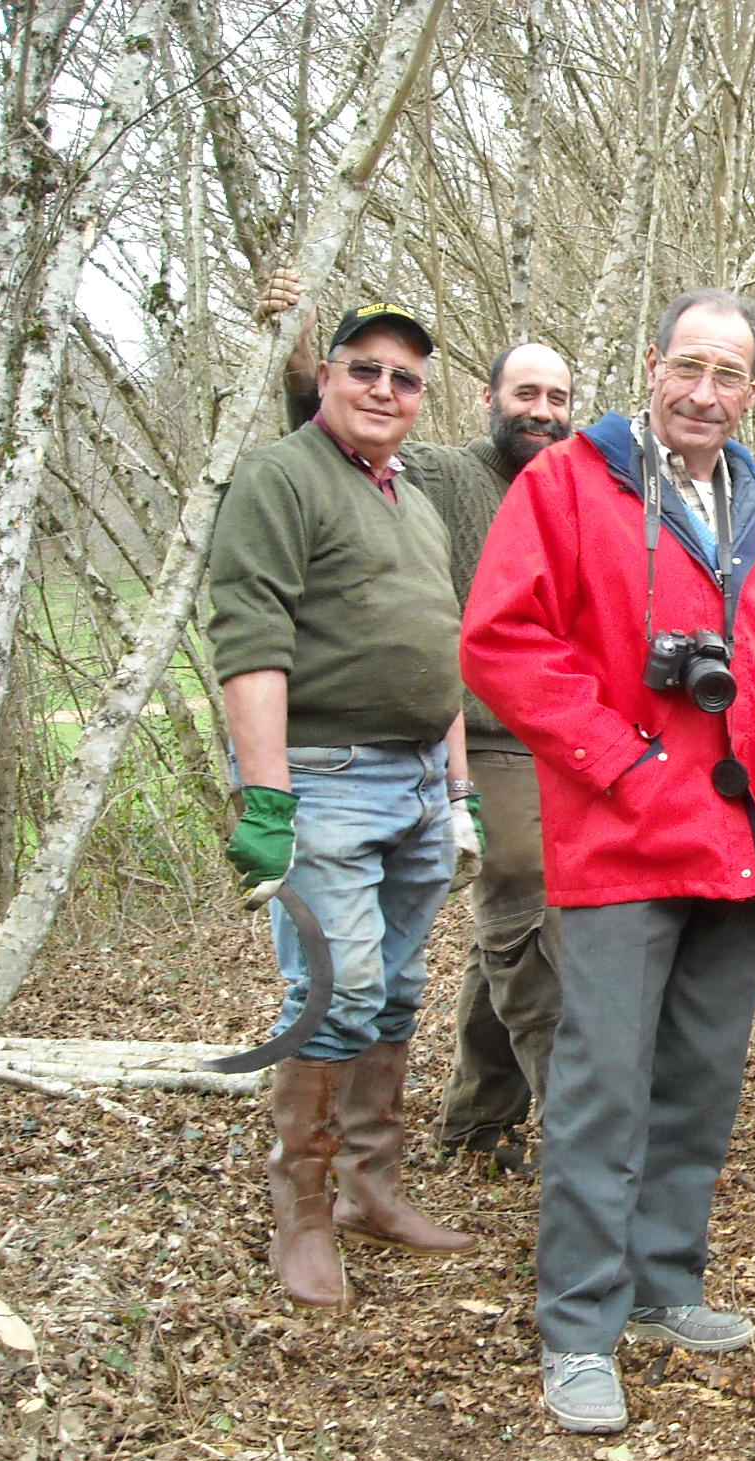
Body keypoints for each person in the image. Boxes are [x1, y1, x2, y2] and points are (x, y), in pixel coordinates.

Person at [461, 289, 755, 1432]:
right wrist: (621, 761)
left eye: (729, 375)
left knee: (696, 1081)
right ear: (651, 365)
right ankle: (578, 1327)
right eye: (688, 367)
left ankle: (663, 1285)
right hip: (622, 835)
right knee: (598, 1087)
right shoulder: (568, 485)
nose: (704, 393)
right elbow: (500, 639)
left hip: (742, 838)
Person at [259, 271, 575, 1175]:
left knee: (509, 923)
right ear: (489, 400)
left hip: (561, 731)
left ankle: (478, 1116)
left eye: (557, 398)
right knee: (520, 890)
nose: (541, 412)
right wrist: (296, 352)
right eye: (526, 395)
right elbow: (330, 439)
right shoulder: (435, 471)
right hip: (474, 731)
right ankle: (579, 1113)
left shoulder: (582, 484)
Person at [209, 300, 480, 1309]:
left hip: (414, 778)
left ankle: (373, 1187)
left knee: (397, 991)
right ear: (323, 376)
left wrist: (458, 792)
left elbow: (437, 648)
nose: (383, 390)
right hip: (324, 778)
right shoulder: (280, 478)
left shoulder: (408, 499)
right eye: (363, 369)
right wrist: (267, 795)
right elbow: (250, 640)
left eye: (404, 378)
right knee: (337, 989)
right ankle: (305, 1207)